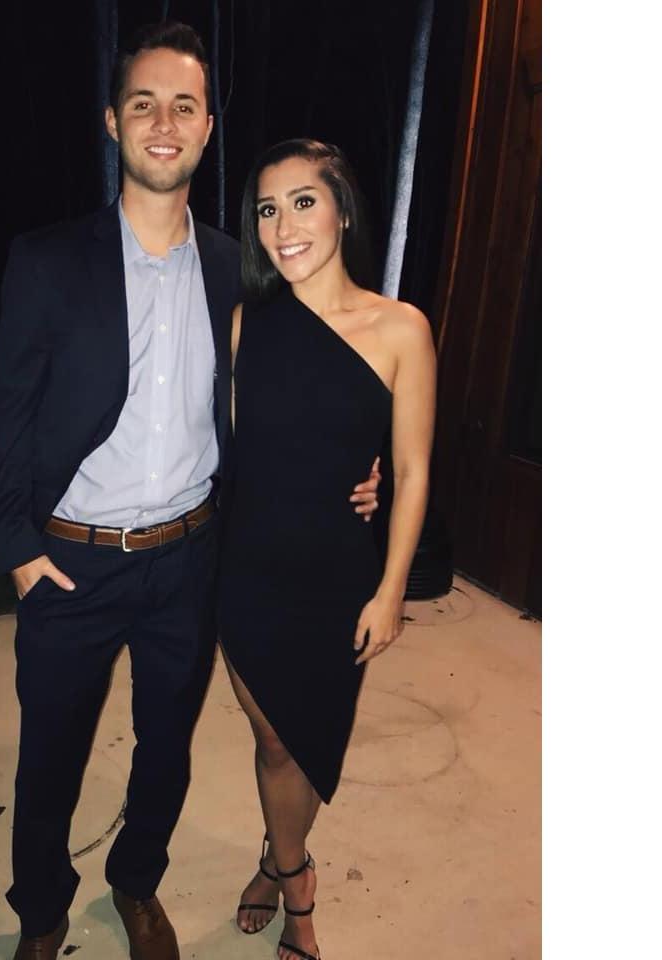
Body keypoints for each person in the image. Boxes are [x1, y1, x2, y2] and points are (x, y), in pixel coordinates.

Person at [0, 24, 381, 960]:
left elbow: (313, 385)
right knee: (50, 755)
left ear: (207, 129)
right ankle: (41, 912)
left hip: (192, 561)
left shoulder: (239, 270)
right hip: (71, 559)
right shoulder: (47, 261)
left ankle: (136, 883)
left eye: (184, 106)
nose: (164, 123)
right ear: (112, 122)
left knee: (166, 747)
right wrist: (16, 549)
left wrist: (364, 473)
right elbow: (6, 413)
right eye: (144, 104)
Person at [218, 139, 437, 960]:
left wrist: (391, 589)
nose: (284, 227)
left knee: (308, 739)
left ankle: (275, 860)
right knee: (273, 738)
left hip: (337, 573)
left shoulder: (401, 329)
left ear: (342, 209)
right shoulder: (247, 325)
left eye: (303, 202)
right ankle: (296, 881)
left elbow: (412, 470)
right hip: (248, 568)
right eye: (267, 210)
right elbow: (234, 453)